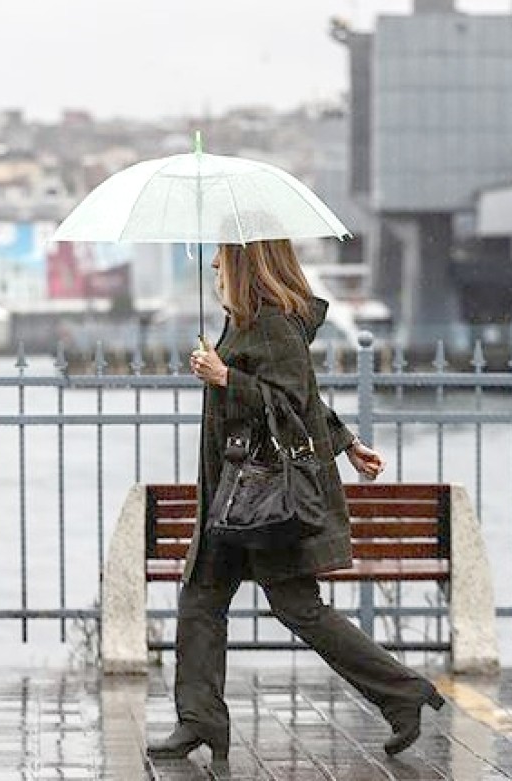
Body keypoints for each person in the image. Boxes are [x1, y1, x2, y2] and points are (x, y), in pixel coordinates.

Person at [146, 240, 444, 762]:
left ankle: (402, 692)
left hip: (263, 498)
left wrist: (225, 378)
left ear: (246, 258)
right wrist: (348, 442)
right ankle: (199, 720)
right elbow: (302, 395)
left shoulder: (272, 323)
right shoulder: (244, 321)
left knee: (299, 609)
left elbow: (288, 404)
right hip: (232, 496)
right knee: (200, 600)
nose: (214, 263)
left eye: (221, 253)